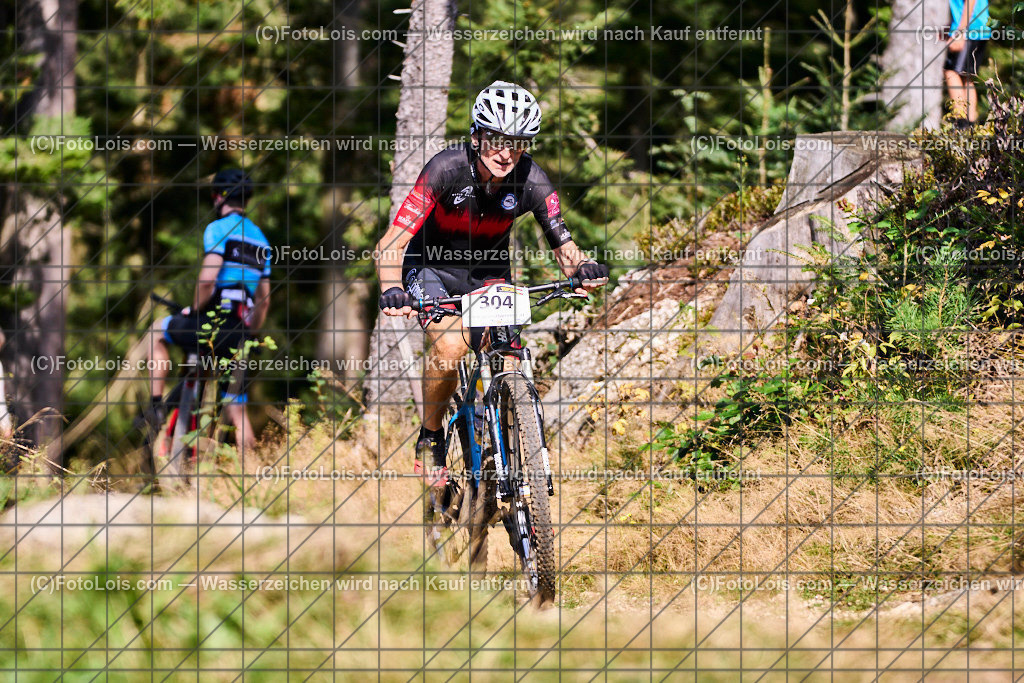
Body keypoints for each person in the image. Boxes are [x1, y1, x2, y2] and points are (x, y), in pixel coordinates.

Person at [374, 80, 609, 485]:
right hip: (431, 267)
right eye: (497, 140)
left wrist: (582, 267)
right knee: (449, 345)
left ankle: (513, 451)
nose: (506, 152)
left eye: (517, 143)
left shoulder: (532, 179)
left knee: (511, 356)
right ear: (477, 135)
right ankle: (430, 439)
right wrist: (390, 288)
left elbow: (563, 243)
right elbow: (392, 243)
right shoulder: (445, 169)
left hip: (488, 275)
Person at [140, 169, 272, 457]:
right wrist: (251, 334)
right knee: (237, 408)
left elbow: (206, 280)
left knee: (156, 332)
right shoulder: (261, 240)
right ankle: (251, 474)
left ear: (218, 197)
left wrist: (196, 311)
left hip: (212, 321)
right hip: (239, 330)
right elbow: (264, 300)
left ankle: (155, 405)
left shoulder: (218, 228)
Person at [944, 0, 990, 128]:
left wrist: (960, 32)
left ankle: (961, 123)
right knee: (966, 77)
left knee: (951, 71)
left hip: (970, 30)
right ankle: (970, 126)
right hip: (979, 28)